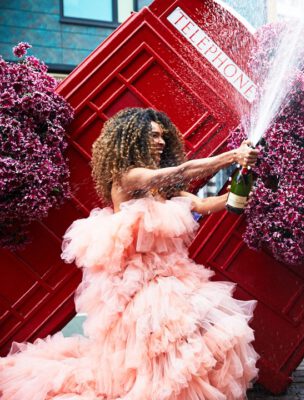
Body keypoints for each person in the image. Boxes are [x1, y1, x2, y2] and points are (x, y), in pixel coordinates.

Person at [0, 108, 260, 400]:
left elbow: (204, 205)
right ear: (133, 139)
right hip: (138, 288)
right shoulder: (129, 177)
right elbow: (181, 171)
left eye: (163, 136)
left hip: (172, 278)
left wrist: (246, 183)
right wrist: (231, 157)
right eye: (152, 135)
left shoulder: (163, 189)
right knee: (164, 351)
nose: (160, 142)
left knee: (203, 339)